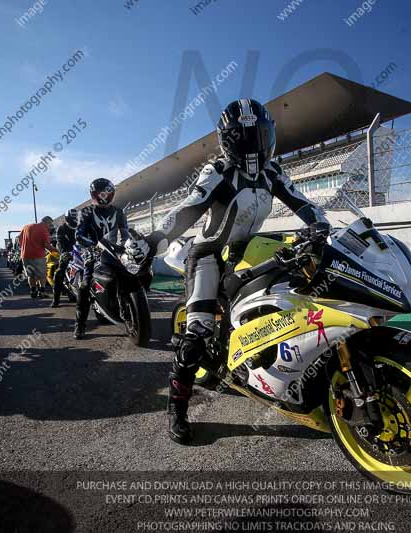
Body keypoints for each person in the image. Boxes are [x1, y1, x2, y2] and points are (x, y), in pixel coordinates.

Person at [137, 99, 329, 444]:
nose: (255, 144)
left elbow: (303, 203)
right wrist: (157, 236)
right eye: (246, 137)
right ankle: (177, 409)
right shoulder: (218, 171)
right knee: (195, 335)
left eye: (260, 135)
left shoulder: (274, 172)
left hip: (249, 250)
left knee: (293, 304)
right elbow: (189, 208)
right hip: (209, 254)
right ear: (229, 140)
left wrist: (320, 223)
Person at [74, 178, 128, 339]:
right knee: (84, 286)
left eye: (106, 193)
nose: (103, 196)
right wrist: (92, 246)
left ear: (111, 193)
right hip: (93, 251)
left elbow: (125, 234)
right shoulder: (86, 212)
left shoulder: (119, 212)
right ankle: (80, 324)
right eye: (100, 193)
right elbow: (79, 235)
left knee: (132, 273)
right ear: (94, 194)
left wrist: (126, 245)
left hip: (115, 252)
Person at [19, 216, 57, 298]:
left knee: (30, 275)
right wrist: (55, 250)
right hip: (38, 255)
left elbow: (20, 239)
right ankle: (42, 292)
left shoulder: (26, 227)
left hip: (25, 255)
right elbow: (46, 245)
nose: (49, 226)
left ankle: (33, 291)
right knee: (42, 275)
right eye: (50, 224)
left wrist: (26, 247)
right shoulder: (44, 230)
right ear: (46, 222)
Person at [51, 208, 78, 308]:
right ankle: (56, 300)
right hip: (68, 253)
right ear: (67, 218)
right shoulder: (62, 228)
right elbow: (59, 242)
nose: (72, 220)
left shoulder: (79, 227)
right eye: (71, 218)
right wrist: (64, 252)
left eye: (74, 218)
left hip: (80, 253)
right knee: (59, 273)